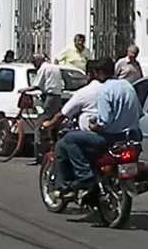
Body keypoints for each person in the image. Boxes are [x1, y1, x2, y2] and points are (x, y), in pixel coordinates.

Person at [52, 57, 143, 198]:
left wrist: (94, 126)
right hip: (132, 136)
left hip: (110, 138)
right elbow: (139, 112)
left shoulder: (104, 91)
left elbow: (104, 123)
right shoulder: (127, 86)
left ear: (98, 73)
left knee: (69, 138)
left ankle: (85, 176)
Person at [44, 60, 105, 193]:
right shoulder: (111, 89)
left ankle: (67, 186)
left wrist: (49, 124)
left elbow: (62, 114)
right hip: (115, 135)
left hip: (93, 137)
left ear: (89, 75)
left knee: (62, 144)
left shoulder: (84, 92)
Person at [19, 54, 64, 166]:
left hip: (50, 98)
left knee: (39, 126)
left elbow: (36, 85)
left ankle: (39, 156)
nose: (34, 65)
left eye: (34, 62)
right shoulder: (55, 68)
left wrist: (23, 90)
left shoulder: (43, 69)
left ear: (38, 61)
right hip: (58, 98)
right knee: (55, 126)